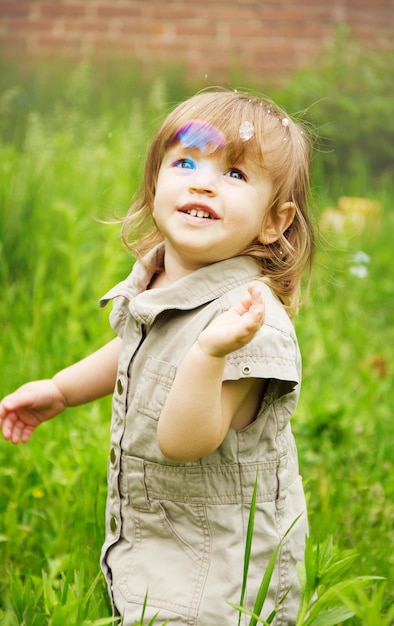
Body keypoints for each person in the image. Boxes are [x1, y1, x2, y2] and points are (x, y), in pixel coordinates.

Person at [0, 88, 316, 625]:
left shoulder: (246, 322)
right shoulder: (161, 279)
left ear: (274, 221)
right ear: (154, 186)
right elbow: (135, 345)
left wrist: (209, 353)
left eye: (235, 175)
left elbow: (185, 441)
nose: (203, 181)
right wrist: (61, 389)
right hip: (161, 537)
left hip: (218, 574)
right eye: (186, 162)